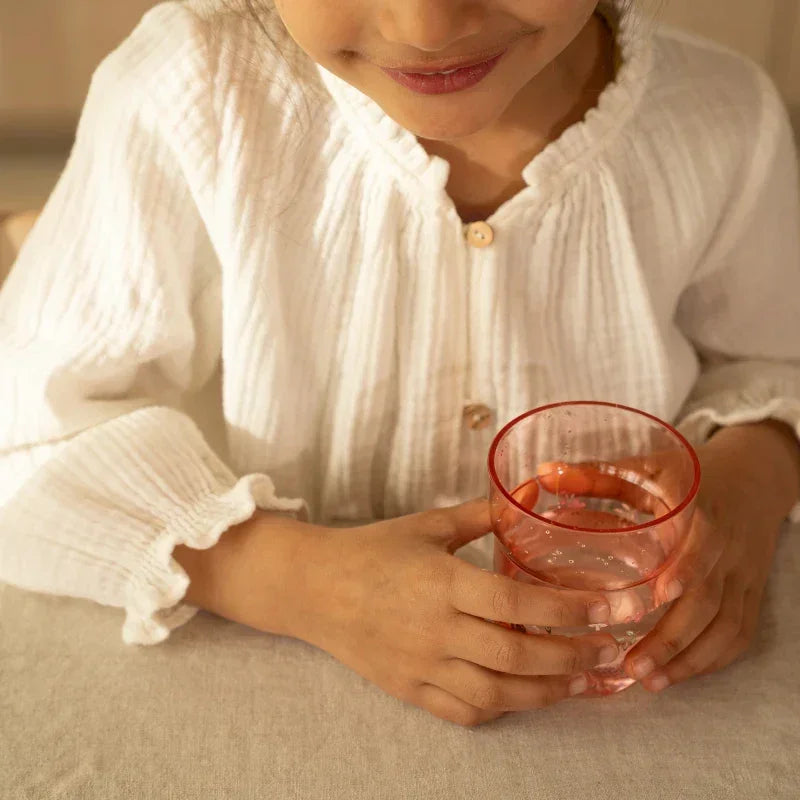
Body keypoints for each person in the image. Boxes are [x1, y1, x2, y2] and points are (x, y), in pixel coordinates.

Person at [0, 0, 798, 728]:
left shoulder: (727, 119)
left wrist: (751, 480)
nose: (427, 26)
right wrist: (295, 579)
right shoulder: (190, 89)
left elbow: (774, 358)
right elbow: (28, 436)